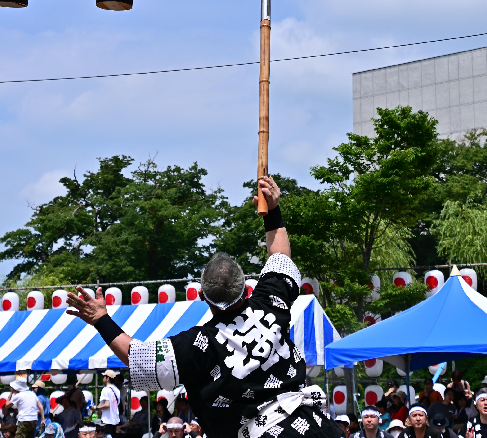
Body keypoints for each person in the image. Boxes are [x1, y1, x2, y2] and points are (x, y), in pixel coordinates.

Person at [66, 176, 343, 438]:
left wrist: (101, 318)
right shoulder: (269, 302)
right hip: (317, 426)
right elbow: (280, 255)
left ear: (202, 295)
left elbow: (135, 355)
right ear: (246, 288)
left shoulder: (198, 345)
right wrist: (273, 210)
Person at [92, 372, 120, 438]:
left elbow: (107, 405)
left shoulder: (105, 389)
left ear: (108, 378)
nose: (102, 378)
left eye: (103, 376)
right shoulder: (117, 390)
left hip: (107, 419)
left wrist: (96, 408)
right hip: (115, 420)